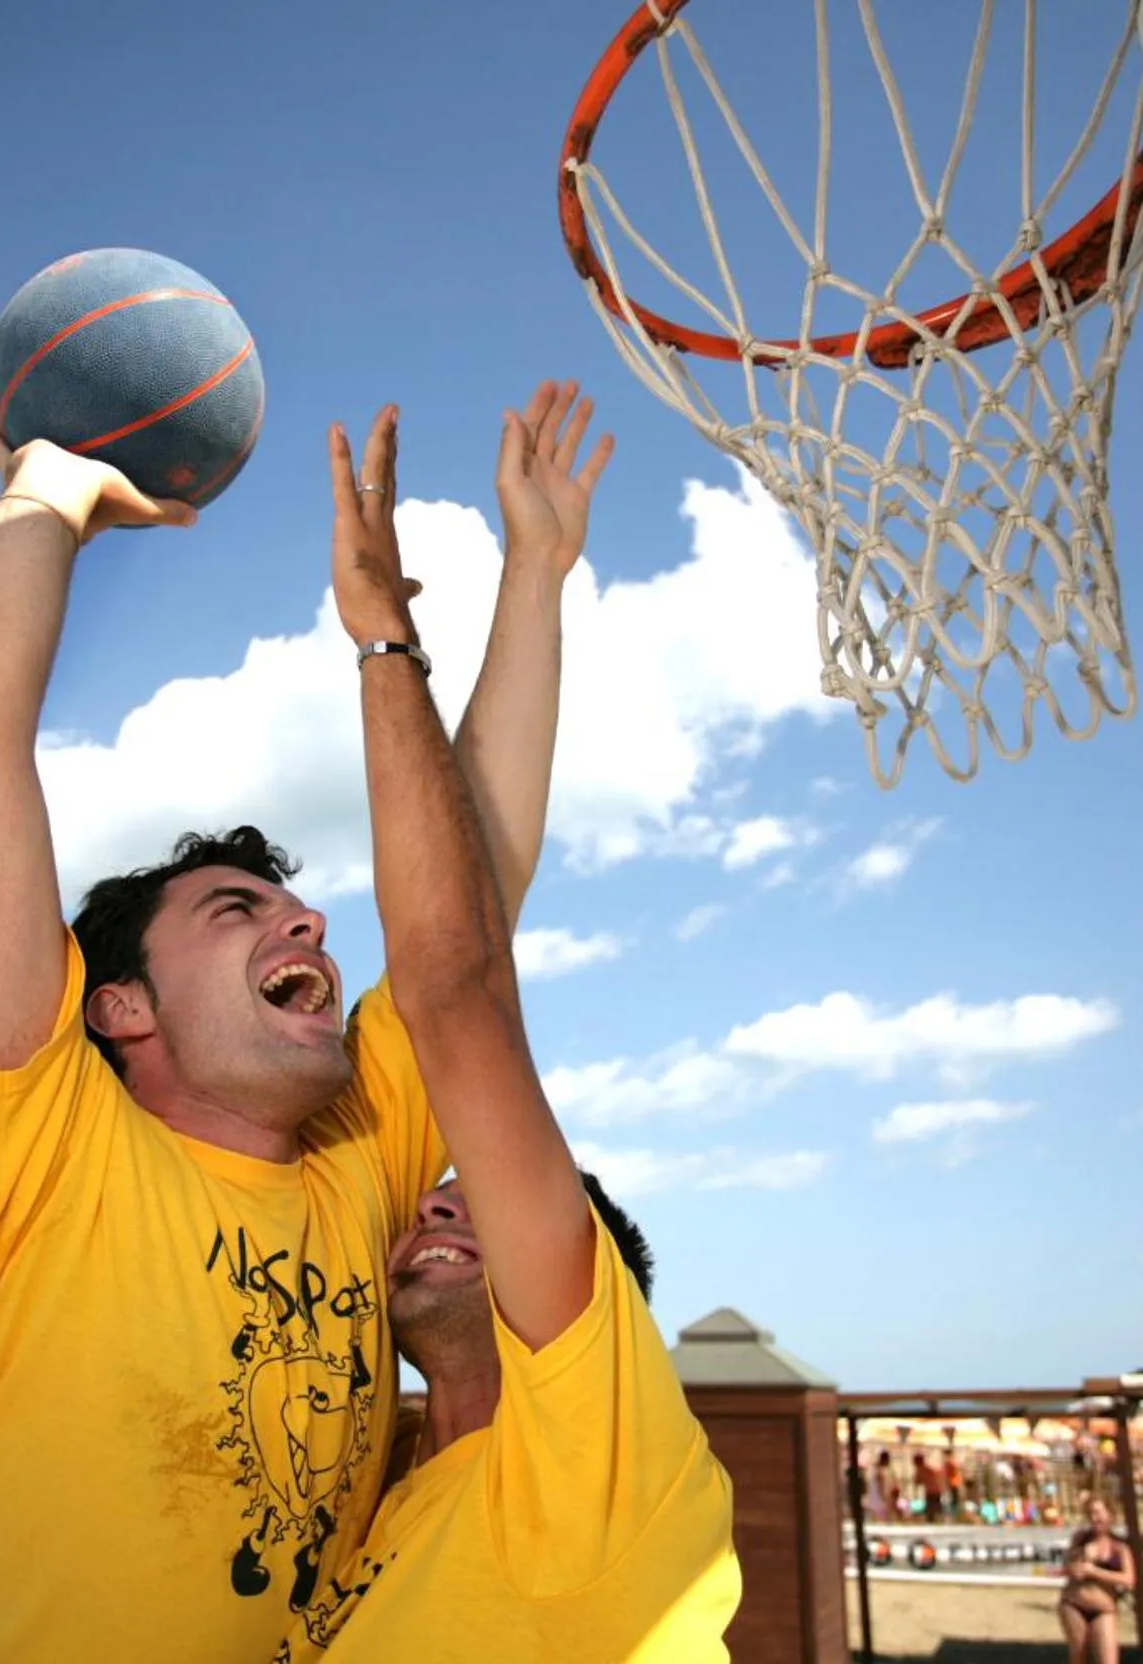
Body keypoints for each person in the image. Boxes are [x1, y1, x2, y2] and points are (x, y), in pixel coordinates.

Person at [0, 380, 593, 1661]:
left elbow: (473, 902)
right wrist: (50, 490)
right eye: (240, 909)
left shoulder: (356, 1155)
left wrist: (536, 574)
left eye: (300, 909)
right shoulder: (43, 1146)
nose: (310, 927)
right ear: (118, 1005)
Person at [276, 391, 740, 1661]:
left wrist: (384, 644)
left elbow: (459, 980)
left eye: (474, 1199)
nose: (433, 1199)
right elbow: (479, 886)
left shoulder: (596, 1447)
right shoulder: (386, 1508)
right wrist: (533, 572)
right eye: (442, 1195)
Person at [1059, 1495, 1137, 1664]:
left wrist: (1094, 1571)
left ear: (1110, 1515)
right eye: (1091, 1514)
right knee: (1079, 1653)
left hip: (1103, 1609)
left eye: (1098, 1513)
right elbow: (1068, 1565)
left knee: (1108, 1659)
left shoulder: (1119, 1547)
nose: (1095, 1518)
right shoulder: (1080, 1538)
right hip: (1074, 1604)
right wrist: (1082, 1557)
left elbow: (1129, 1579)